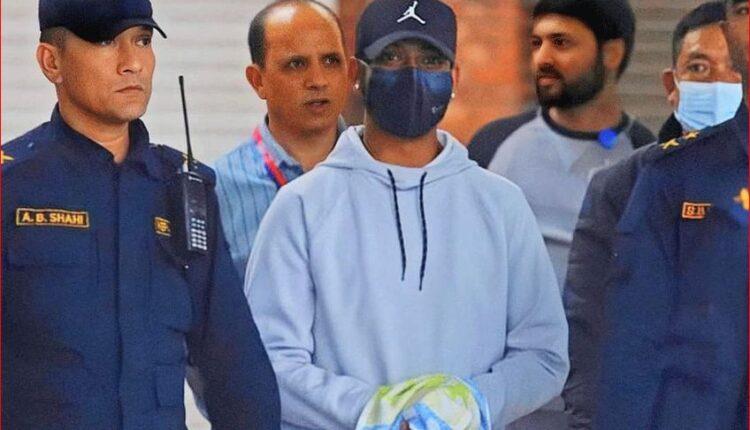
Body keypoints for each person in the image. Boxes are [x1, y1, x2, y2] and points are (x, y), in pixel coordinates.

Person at [244, 0, 569, 429]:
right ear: (358, 75)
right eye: (392, 58)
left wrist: (471, 402)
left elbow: (544, 355)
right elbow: (268, 360)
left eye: (431, 61)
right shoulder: (301, 207)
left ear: (454, 78)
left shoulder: (501, 205)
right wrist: (374, 411)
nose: (413, 74)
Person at [1, 1, 280, 428]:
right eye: (105, 42)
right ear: (51, 61)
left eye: (143, 40)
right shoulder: (13, 185)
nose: (132, 62)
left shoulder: (182, 188)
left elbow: (235, 367)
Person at [469, 1, 652, 427]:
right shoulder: (493, 145)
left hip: (604, 403)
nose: (543, 58)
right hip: (507, 402)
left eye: (561, 43)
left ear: (611, 53)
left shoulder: (647, 157)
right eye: (536, 43)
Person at [562, 3, 745, 428]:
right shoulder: (624, 188)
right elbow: (593, 339)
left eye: (735, 70)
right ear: (671, 85)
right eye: (699, 68)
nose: (720, 84)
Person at [214, 0, 355, 280]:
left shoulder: (380, 170)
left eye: (330, 61)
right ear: (258, 81)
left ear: (350, 72)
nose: (317, 80)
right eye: (296, 64)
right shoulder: (217, 189)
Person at [658, 1, 742, 142]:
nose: (718, 82)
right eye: (698, 67)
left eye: (737, 66)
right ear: (671, 86)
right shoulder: (642, 156)